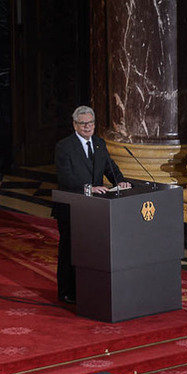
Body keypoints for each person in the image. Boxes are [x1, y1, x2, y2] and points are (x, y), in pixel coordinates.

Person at [52, 105, 131, 303]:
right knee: (70, 250)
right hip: (72, 207)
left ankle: (89, 289)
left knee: (91, 249)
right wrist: (88, 188)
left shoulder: (99, 143)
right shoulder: (64, 146)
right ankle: (67, 292)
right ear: (75, 125)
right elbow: (65, 178)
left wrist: (119, 181)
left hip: (95, 210)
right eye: (83, 123)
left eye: (91, 123)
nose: (88, 127)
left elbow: (109, 167)